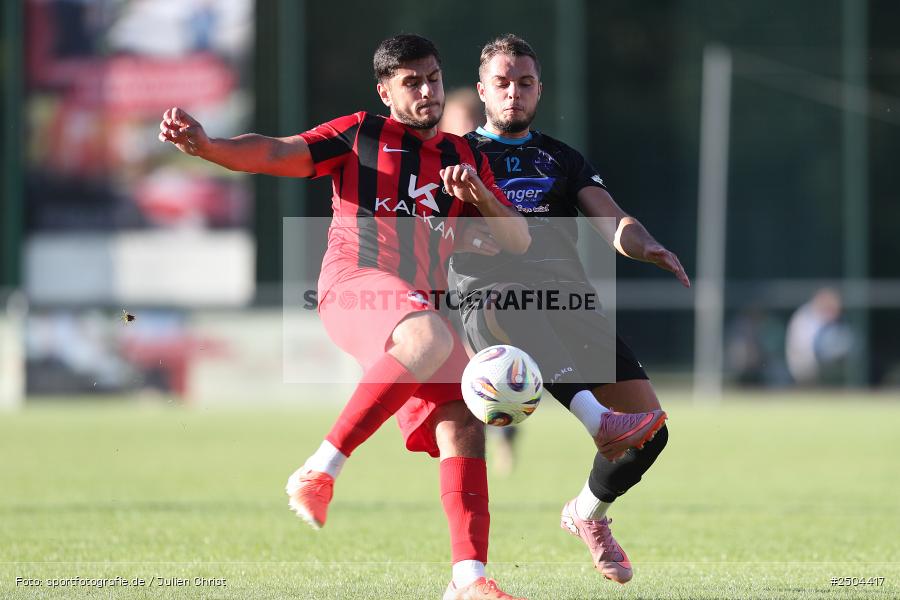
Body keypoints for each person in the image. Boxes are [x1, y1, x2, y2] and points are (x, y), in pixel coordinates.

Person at [159, 34, 532, 600]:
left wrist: (481, 195)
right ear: (385, 92)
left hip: (415, 310)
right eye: (411, 82)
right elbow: (275, 152)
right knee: (430, 337)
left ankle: (469, 580)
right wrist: (209, 147)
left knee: (463, 422)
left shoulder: (467, 157)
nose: (427, 91)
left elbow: (518, 239)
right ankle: (319, 469)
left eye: (433, 78)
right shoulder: (361, 134)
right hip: (354, 285)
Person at [448, 34, 690, 585]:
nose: (513, 92)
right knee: (518, 301)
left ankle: (587, 512)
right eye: (502, 83)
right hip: (491, 301)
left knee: (650, 433)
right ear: (482, 90)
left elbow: (612, 220)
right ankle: (597, 420)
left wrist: (644, 243)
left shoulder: (561, 158)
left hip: (567, 300)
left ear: (540, 90)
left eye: (525, 83)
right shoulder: (455, 155)